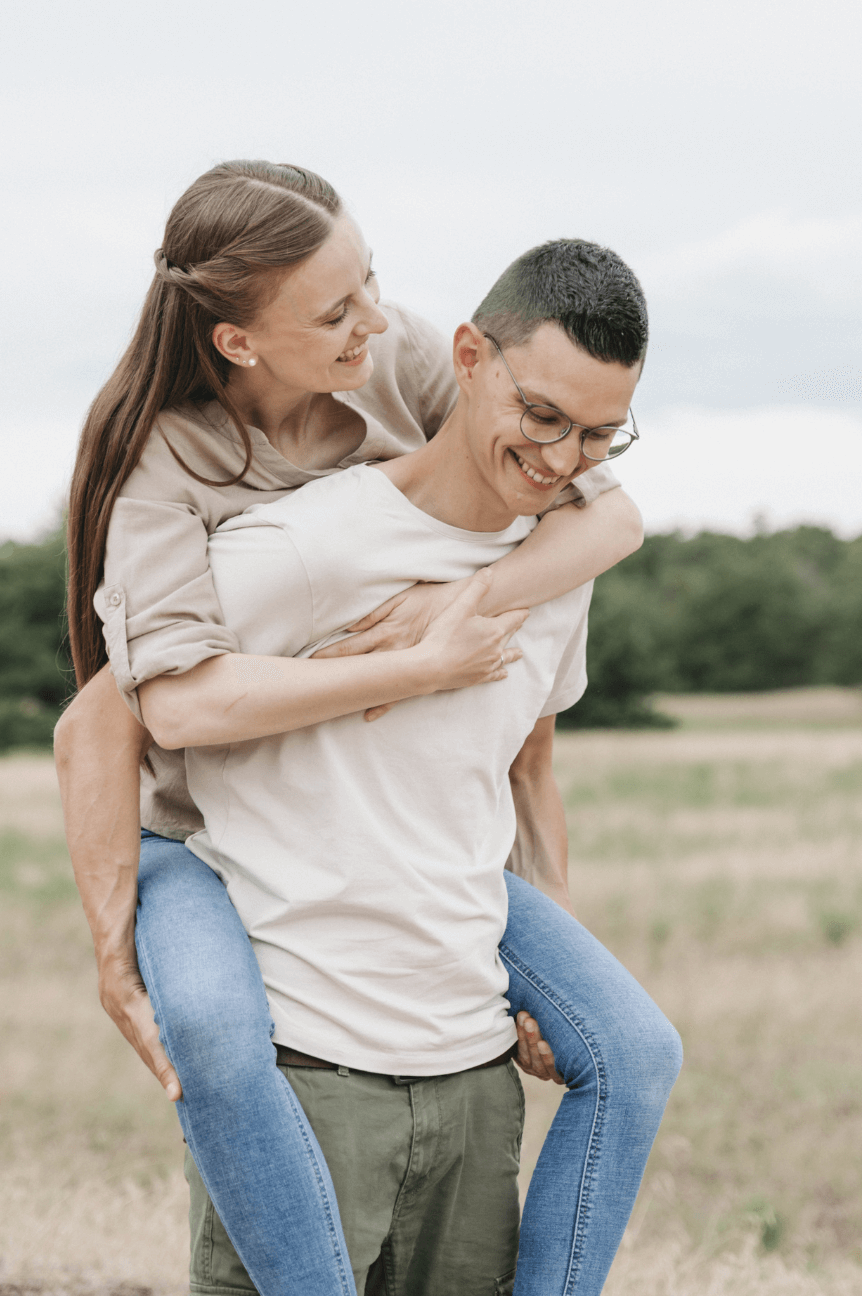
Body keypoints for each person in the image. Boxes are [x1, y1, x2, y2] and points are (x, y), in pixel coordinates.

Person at [53, 160, 663, 1296]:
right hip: (195, 830)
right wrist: (408, 662)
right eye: (337, 309)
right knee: (221, 1050)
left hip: (403, 844)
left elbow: (610, 519)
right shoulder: (170, 469)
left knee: (636, 1048)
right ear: (241, 343)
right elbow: (135, 713)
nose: (374, 320)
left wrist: (473, 603)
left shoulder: (404, 355)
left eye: (369, 280)